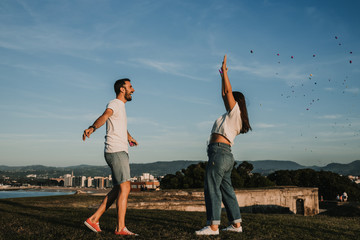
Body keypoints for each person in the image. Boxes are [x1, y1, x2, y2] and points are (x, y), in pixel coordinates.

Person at [195, 55, 252, 236]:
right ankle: (236, 224)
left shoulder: (235, 113)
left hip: (219, 154)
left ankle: (213, 226)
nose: (226, 100)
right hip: (224, 155)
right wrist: (221, 77)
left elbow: (227, 93)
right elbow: (224, 94)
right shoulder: (233, 116)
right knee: (227, 190)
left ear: (236, 102)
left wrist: (225, 73)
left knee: (211, 188)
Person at [82, 78, 138, 236]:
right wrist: (92, 128)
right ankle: (120, 228)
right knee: (126, 187)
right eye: (130, 87)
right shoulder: (114, 104)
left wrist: (129, 137)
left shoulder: (120, 107)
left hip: (117, 150)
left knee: (117, 189)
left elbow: (118, 126)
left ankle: (93, 219)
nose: (133, 90)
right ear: (122, 89)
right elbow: (105, 116)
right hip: (116, 151)